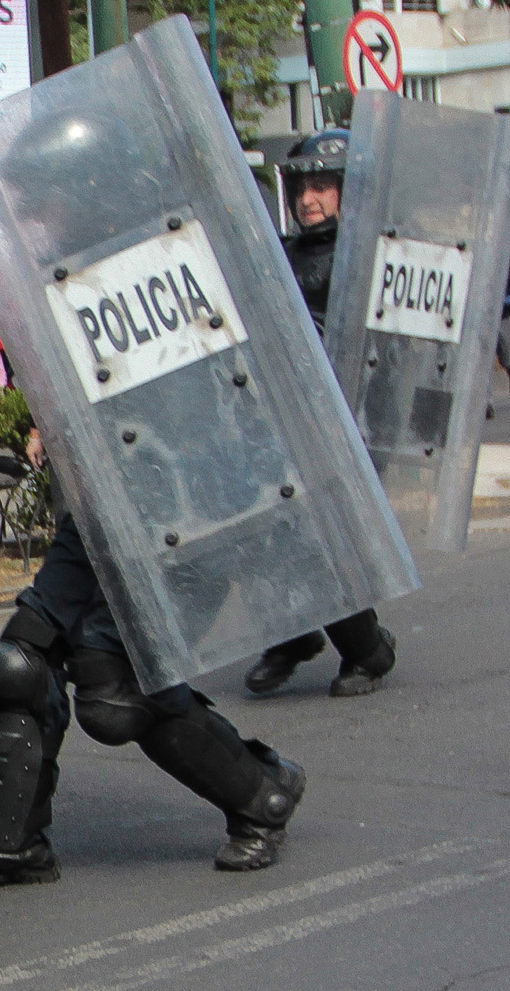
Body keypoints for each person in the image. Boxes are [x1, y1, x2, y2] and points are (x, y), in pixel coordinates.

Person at [0, 109, 309, 890]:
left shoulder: (174, 267)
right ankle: (15, 848)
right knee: (17, 659)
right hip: (100, 513)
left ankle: (264, 792)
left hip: (184, 514)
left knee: (116, 690)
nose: (37, 221)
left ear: (91, 190)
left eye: (49, 200)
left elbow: (217, 406)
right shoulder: (71, 280)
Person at [244, 130, 397, 699]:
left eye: (323, 186)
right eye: (302, 187)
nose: (308, 199)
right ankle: (292, 632)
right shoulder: (281, 254)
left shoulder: (370, 257)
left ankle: (367, 650)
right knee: (265, 528)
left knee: (323, 538)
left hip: (347, 421)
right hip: (282, 417)